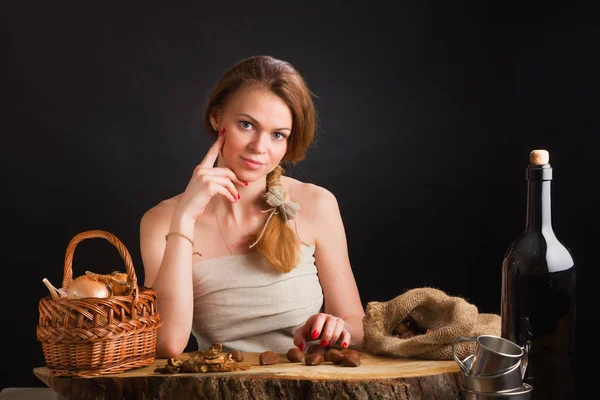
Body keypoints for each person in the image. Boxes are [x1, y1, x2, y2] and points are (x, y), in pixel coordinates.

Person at [140, 55, 364, 358]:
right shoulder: (161, 221)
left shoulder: (317, 204)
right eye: (247, 124)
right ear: (216, 118)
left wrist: (336, 328)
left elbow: (356, 325)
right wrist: (185, 219)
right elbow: (166, 344)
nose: (259, 147)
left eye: (277, 135)